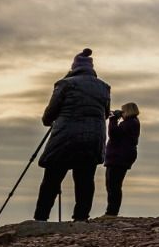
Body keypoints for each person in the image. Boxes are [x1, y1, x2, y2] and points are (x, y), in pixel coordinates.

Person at [35, 48, 110, 222]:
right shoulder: (104, 87)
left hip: (65, 137)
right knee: (85, 179)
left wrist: (52, 120)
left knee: (52, 178)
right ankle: (81, 218)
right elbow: (105, 114)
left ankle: (41, 218)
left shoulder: (65, 84)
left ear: (74, 67)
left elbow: (49, 116)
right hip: (94, 139)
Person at [104, 102, 141, 216]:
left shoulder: (129, 123)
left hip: (118, 157)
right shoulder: (132, 123)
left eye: (122, 111)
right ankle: (111, 211)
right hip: (120, 156)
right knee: (113, 185)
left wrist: (113, 119)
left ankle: (111, 212)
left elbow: (113, 134)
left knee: (113, 185)